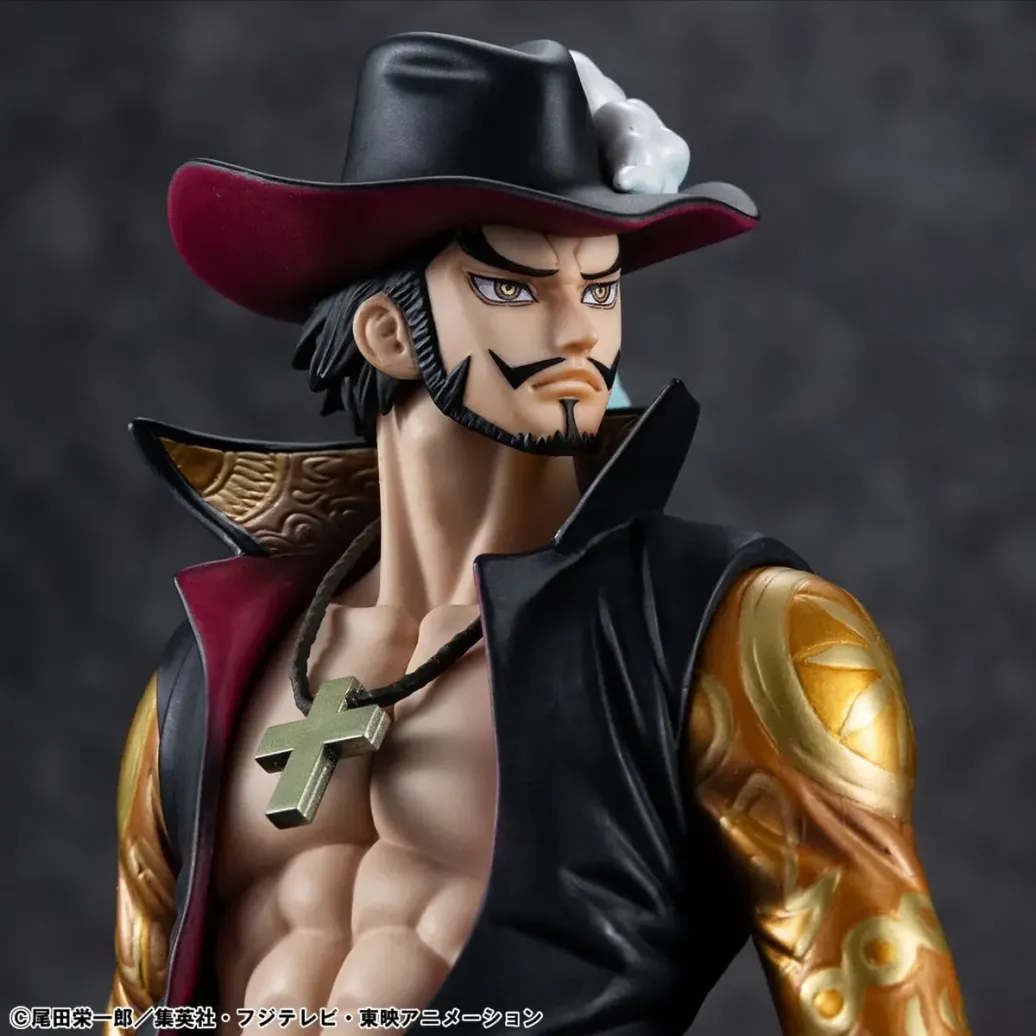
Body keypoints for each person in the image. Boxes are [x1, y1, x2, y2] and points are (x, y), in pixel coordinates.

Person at [105, 31, 970, 1036]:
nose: (578, 334)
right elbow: (135, 1004)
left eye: (599, 287)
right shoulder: (210, 669)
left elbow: (886, 998)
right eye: (513, 287)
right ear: (387, 332)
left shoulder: (733, 639)